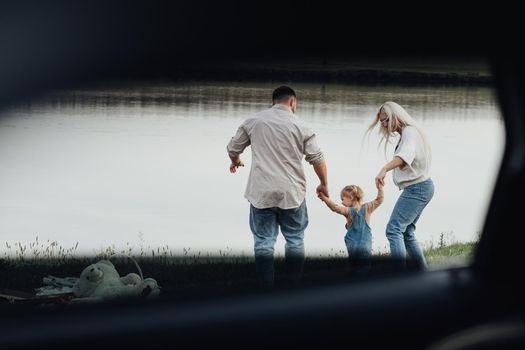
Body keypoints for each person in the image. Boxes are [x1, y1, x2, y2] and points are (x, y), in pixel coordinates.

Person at [227, 86, 328, 287]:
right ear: (292, 102)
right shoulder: (302, 126)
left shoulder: (253, 122)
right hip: (292, 193)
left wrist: (236, 160)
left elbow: (232, 148)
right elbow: (317, 158)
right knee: (295, 240)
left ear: (273, 101)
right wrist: (323, 184)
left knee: (264, 243)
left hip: (261, 192)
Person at [367, 101, 434, 269]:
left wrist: (384, 169)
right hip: (422, 187)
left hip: (417, 188)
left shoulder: (410, 132)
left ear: (396, 116)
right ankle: (421, 271)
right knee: (407, 233)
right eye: (381, 121)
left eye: (386, 120)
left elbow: (405, 155)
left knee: (393, 230)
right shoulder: (407, 133)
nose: (383, 124)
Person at [318, 182, 384, 275]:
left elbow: (335, 208)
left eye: (342, 198)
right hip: (364, 242)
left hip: (353, 243)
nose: (341, 201)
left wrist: (324, 198)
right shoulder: (367, 207)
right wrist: (380, 188)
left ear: (350, 197)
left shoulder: (349, 211)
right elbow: (379, 199)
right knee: (364, 266)